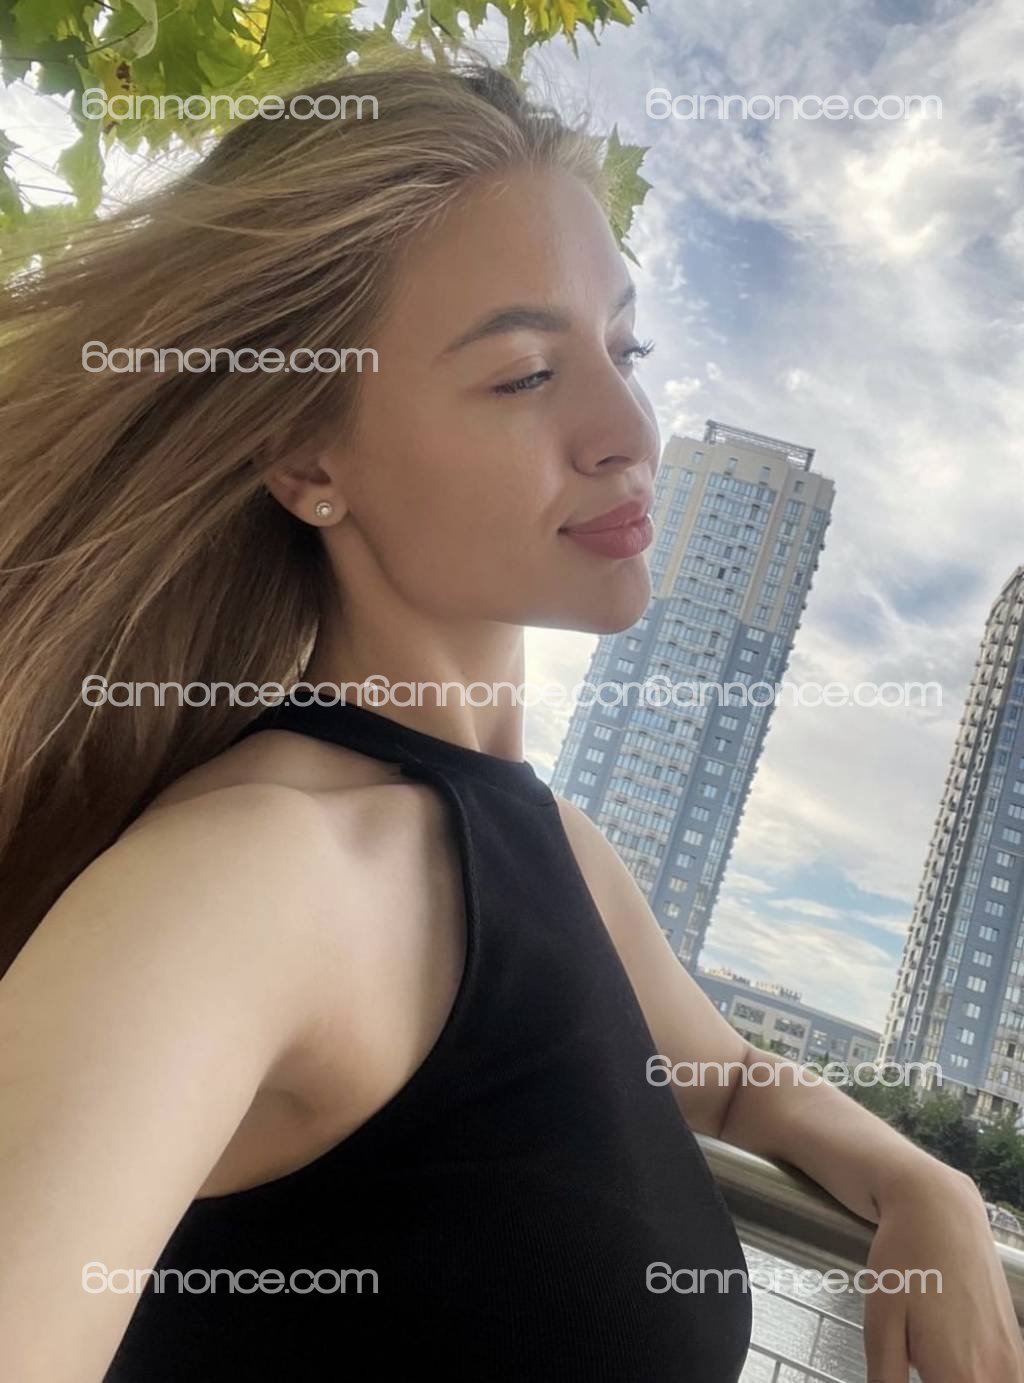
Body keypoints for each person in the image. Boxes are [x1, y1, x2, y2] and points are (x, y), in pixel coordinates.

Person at [0, 52, 1020, 1383]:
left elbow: (726, 1079)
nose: (628, 428)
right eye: (527, 374)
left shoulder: (558, 851)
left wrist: (924, 1183)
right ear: (307, 458)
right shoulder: (254, 878)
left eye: (625, 350)